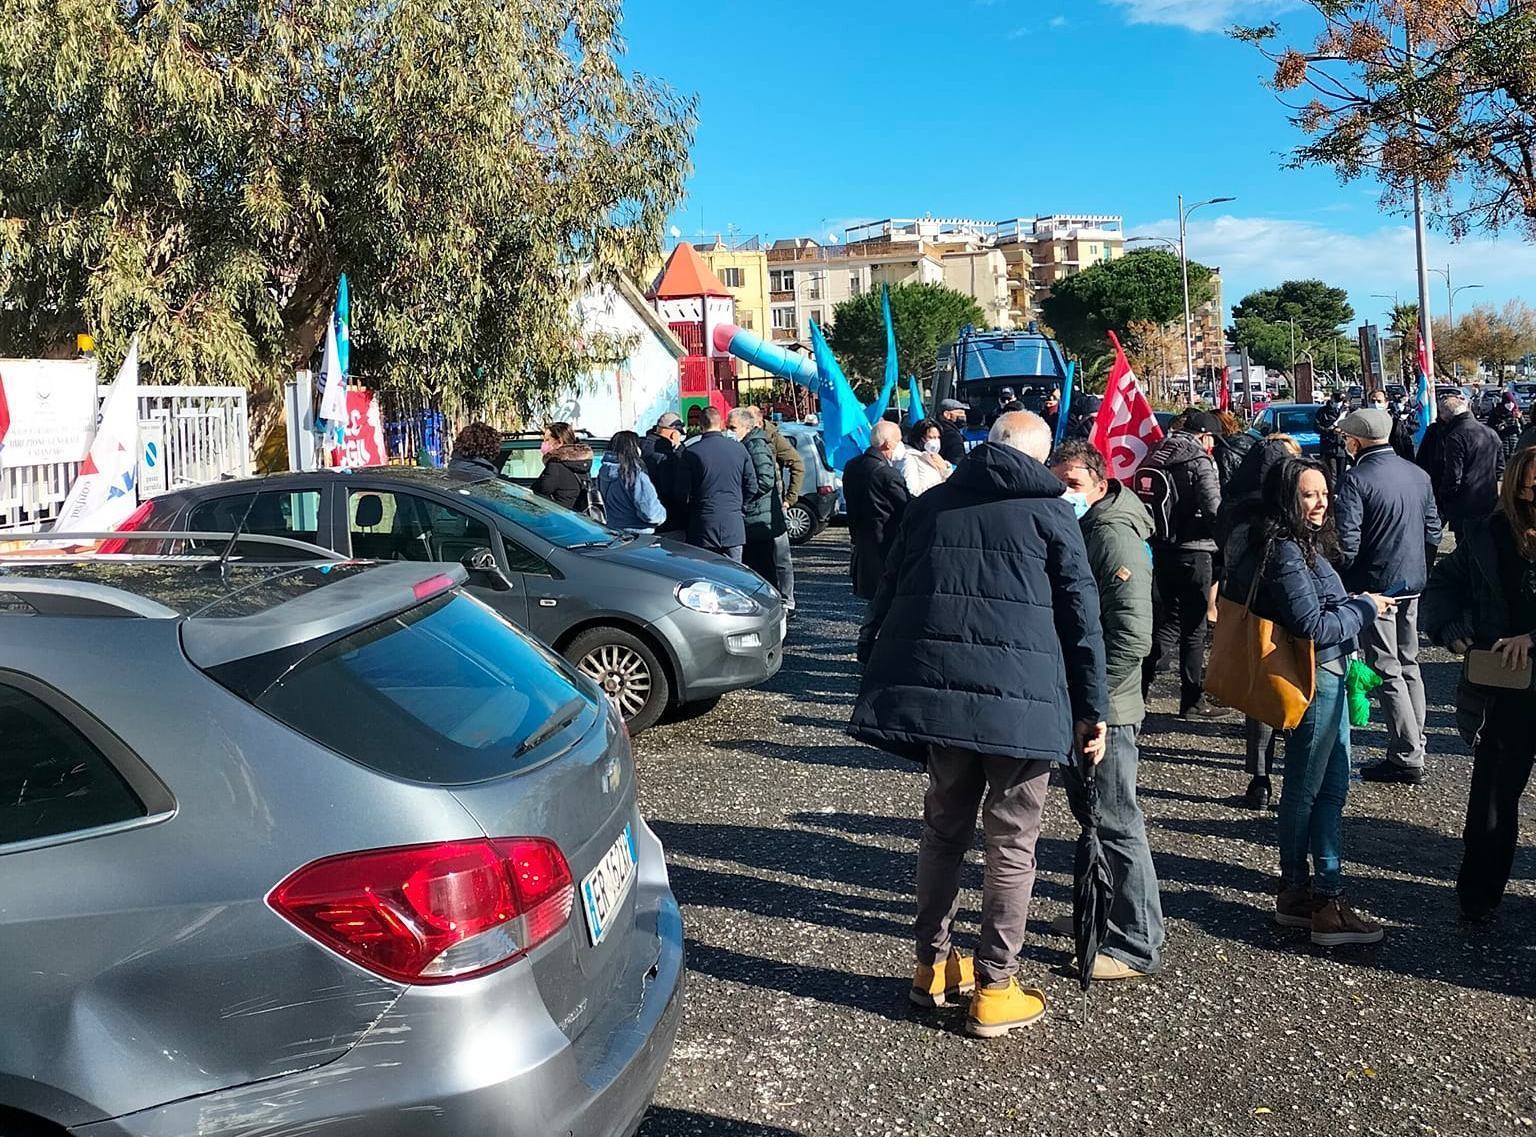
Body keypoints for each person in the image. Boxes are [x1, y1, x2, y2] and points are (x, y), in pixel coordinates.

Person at [849, 411, 1107, 1038]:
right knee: (1012, 843)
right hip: (1024, 705)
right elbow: (1082, 618)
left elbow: (888, 590)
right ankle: (996, 986)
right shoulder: (1051, 514)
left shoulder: (932, 504)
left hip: (942, 701)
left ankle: (931, 967)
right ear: (1040, 459)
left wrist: (872, 653)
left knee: (943, 832)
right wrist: (1092, 710)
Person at [1224, 457, 1394, 946]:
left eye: (1323, 493)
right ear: (1287, 499)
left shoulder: (1304, 546)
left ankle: (1314, 894)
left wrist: (1354, 602)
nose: (1320, 504)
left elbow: (1319, 612)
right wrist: (1364, 607)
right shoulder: (1285, 552)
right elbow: (1313, 626)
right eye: (1307, 495)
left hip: (1332, 676)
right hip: (1314, 679)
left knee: (1329, 786)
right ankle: (1314, 898)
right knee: (1311, 787)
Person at [1048, 440, 1164, 981]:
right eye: (1058, 484)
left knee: (1115, 820)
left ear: (1099, 482)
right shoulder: (1087, 525)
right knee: (1097, 817)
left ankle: (1135, 943)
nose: (1064, 494)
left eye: (1073, 484)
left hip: (1107, 707)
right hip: (1088, 699)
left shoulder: (1111, 534)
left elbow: (1130, 634)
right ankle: (1114, 917)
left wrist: (1095, 708)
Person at [1422, 446, 1536, 923]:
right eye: (1531, 485)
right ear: (1515, 484)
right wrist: (1450, 627)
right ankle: (1479, 895)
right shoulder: (1489, 533)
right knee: (1493, 795)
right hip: (1505, 685)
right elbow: (1442, 585)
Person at [1332, 408, 1443, 786]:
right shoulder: (1417, 474)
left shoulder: (1355, 480)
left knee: (1385, 666)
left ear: (1356, 441)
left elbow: (1347, 543)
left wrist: (1340, 581)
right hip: (1411, 580)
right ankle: (1417, 742)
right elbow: (1432, 531)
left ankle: (1406, 753)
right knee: (1409, 662)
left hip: (1373, 586)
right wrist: (1420, 568)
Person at [1216, 433, 1304, 810]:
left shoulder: (1236, 509)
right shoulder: (1292, 512)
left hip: (1253, 613)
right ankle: (1295, 777)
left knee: (1260, 696)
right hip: (1294, 612)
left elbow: (1230, 562)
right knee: (1300, 689)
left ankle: (1260, 778)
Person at [1138, 410, 1227, 719]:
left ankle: (1139, 689)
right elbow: (1213, 508)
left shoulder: (1156, 453)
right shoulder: (1199, 461)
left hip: (1161, 548)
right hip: (1196, 550)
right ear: (1204, 437)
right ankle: (1191, 700)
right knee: (1194, 628)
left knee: (1168, 621)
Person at [842, 420, 910, 602]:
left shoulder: (851, 466)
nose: (901, 445)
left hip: (862, 540)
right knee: (888, 599)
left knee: (873, 601)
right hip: (887, 544)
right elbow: (907, 506)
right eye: (898, 441)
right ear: (888, 444)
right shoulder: (887, 473)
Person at [731, 408, 793, 607]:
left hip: (760, 516)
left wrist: (745, 496)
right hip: (758, 515)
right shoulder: (749, 444)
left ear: (746, 427)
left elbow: (765, 480)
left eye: (732, 427)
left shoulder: (756, 445)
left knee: (764, 567)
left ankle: (772, 607)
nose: (729, 432)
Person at [679, 406, 754, 561]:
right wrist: (741, 506)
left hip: (703, 523)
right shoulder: (739, 449)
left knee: (706, 576)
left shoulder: (691, 452)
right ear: (721, 424)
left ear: (700, 425)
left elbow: (682, 492)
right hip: (733, 521)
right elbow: (752, 485)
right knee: (734, 574)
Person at [1425, 394, 1502, 544]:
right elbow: (1500, 467)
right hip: (1487, 498)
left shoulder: (1456, 436)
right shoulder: (1490, 432)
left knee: (1465, 546)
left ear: (1445, 415)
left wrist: (1444, 495)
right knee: (1484, 544)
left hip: (1464, 503)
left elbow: (1453, 474)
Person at [752, 407, 803, 606]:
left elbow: (797, 463)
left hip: (775, 504)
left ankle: (787, 600)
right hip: (758, 510)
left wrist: (790, 498)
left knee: (781, 557)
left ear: (757, 422)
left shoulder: (773, 437)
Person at [597, 430, 667, 534]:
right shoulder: (635, 474)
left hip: (613, 530)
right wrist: (662, 515)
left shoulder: (603, 471)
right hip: (638, 534)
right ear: (635, 449)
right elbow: (650, 512)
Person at [640, 411, 689, 534]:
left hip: (648, 513)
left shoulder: (643, 445)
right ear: (674, 432)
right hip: (668, 517)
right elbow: (675, 485)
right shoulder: (666, 454)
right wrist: (678, 447)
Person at [531, 421, 594, 512]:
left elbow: (537, 493)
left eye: (547, 440)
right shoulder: (581, 462)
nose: (543, 444)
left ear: (559, 442)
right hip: (578, 519)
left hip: (559, 516)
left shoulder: (556, 466)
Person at [901, 419, 953, 497]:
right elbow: (912, 492)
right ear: (920, 438)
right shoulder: (910, 458)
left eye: (938, 437)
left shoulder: (935, 457)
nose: (936, 441)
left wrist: (945, 469)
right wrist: (940, 486)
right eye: (931, 437)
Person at [1212, 409, 1257, 493]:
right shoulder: (1249, 438)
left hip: (1238, 497)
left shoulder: (1221, 451)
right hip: (1255, 492)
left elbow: (1225, 482)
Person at [936, 399, 970, 464]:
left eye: (964, 413)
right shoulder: (953, 436)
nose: (964, 416)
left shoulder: (935, 430)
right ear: (946, 414)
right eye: (960, 413)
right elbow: (958, 460)